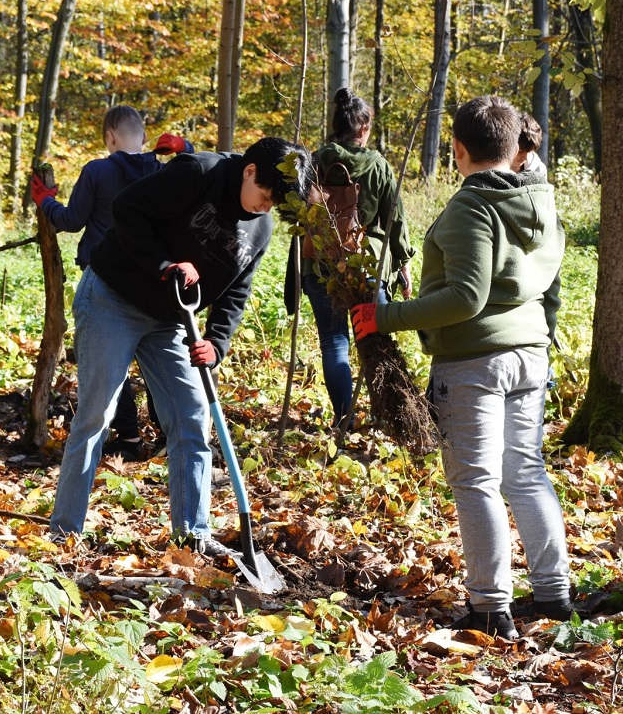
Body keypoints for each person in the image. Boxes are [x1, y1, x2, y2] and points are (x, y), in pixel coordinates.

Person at [349, 96, 570, 639]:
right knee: (524, 471)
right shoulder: (539, 198)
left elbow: (466, 297)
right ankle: (554, 591)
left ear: (458, 149)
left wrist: (384, 316)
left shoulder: (474, 205)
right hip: (529, 354)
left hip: (476, 360)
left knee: (476, 481)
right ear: (515, 145)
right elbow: (549, 286)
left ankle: (492, 609)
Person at [48, 137, 313, 553]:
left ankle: (194, 535)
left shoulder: (261, 230)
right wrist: (162, 263)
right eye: (264, 195)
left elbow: (235, 293)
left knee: (192, 418)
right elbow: (127, 210)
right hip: (113, 297)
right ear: (249, 172)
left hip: (172, 319)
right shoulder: (198, 172)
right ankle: (64, 534)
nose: (265, 207)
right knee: (97, 413)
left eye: (274, 204)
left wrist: (217, 343)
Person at [29, 106, 192, 459]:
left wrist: (45, 201)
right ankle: (166, 437)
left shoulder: (98, 170)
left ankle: (130, 438)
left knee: (109, 367)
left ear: (109, 138)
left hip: (105, 282)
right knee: (156, 364)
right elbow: (204, 171)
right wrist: (186, 146)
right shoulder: (162, 170)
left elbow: (71, 221)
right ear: (144, 136)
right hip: (154, 280)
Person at [304, 88, 415, 429]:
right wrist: (404, 264)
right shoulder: (378, 166)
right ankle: (390, 418)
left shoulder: (313, 162)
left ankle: (344, 418)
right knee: (374, 343)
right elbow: (394, 218)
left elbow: (298, 215)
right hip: (367, 264)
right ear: (363, 127)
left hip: (321, 264)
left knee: (334, 342)